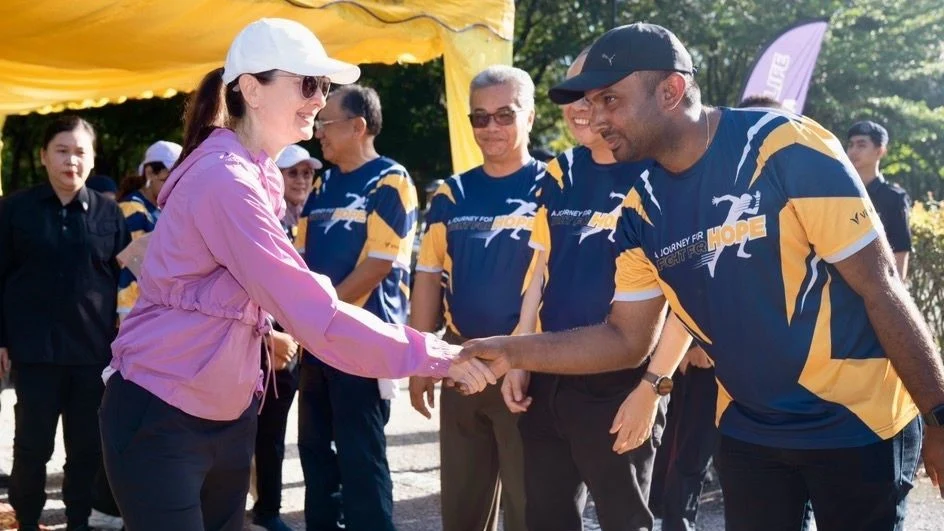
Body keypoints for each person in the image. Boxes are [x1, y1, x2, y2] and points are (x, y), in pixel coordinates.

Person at [462, 23, 944, 531]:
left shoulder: (785, 145)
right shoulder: (641, 208)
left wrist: (937, 417)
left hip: (856, 427)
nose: (594, 116)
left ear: (670, 90)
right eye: (590, 102)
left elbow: (881, 285)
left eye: (610, 99)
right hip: (749, 432)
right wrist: (511, 350)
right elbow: (625, 339)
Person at [98, 18, 493, 531]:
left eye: (324, 86)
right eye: (308, 84)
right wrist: (435, 354)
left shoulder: (256, 173)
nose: (320, 99)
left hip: (224, 417)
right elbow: (317, 316)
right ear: (251, 90)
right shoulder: (226, 180)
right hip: (163, 415)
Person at [500, 49, 671, 531]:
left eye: (595, 95)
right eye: (571, 95)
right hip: (550, 369)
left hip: (621, 379)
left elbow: (683, 292)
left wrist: (652, 387)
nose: (580, 106)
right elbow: (539, 273)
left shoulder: (658, 171)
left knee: (625, 519)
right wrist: (519, 354)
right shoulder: (560, 171)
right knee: (548, 518)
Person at [409, 65, 542, 531]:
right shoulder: (451, 194)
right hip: (463, 360)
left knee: (531, 507)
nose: (491, 128)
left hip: (532, 369)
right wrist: (421, 359)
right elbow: (427, 279)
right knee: (464, 507)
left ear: (530, 116)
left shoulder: (555, 187)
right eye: (479, 118)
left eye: (504, 115)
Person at [649, 94, 787, 531]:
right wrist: (688, 342)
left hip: (774, 370)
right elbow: (679, 269)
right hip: (705, 359)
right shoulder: (703, 185)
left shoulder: (793, 186)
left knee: (759, 475)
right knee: (690, 457)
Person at [294, 84, 416, 531]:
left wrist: (319, 315)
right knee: (313, 449)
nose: (318, 134)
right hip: (316, 341)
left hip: (362, 340)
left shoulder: (391, 179)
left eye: (325, 124)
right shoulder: (324, 182)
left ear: (358, 126)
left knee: (359, 453)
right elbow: (300, 257)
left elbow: (379, 263)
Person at [0, 115, 130, 531]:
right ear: (43, 156)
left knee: (86, 448)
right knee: (31, 447)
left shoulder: (110, 215)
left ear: (92, 160)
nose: (70, 160)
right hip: (34, 351)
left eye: (80, 152)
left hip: (92, 354)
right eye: (61, 150)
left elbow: (128, 282)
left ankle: (78, 521)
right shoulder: (15, 210)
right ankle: (28, 518)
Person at [245, 144, 320, 531]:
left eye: (308, 173)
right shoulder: (263, 216)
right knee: (256, 432)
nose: (302, 180)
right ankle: (263, 510)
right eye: (294, 173)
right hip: (263, 345)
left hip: (297, 346)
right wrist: (271, 338)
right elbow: (251, 285)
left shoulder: (313, 220)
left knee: (276, 433)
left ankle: (266, 506)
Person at [116, 140, 182, 319]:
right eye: (167, 180)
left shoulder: (159, 208)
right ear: (149, 172)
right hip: (133, 308)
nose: (173, 187)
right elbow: (134, 261)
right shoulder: (132, 207)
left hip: (154, 307)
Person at [846, 120, 913, 279]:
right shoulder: (839, 191)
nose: (853, 151)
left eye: (861, 145)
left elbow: (900, 253)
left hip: (876, 288)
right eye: (850, 145)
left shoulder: (894, 197)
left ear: (880, 151)